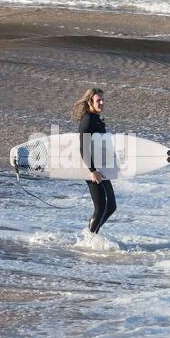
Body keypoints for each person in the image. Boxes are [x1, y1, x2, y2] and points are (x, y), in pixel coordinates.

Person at [73, 87, 116, 234]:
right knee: (101, 207)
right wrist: (92, 171)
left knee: (111, 206)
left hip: (99, 167)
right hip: (91, 168)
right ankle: (90, 237)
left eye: (103, 100)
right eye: (98, 100)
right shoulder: (88, 120)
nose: (102, 102)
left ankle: (92, 232)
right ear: (90, 101)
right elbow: (83, 148)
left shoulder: (96, 119)